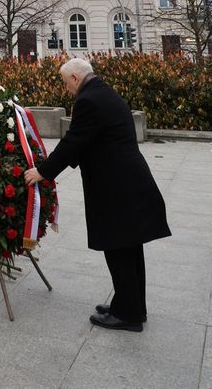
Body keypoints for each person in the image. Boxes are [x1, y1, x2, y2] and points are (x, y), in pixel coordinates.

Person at [24, 56, 170, 333]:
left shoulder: (87, 101)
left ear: (76, 78)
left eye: (66, 82)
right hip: (127, 181)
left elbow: (74, 142)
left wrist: (43, 171)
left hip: (116, 186)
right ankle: (131, 304)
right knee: (129, 246)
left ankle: (127, 314)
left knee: (118, 247)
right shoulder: (104, 91)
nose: (66, 88)